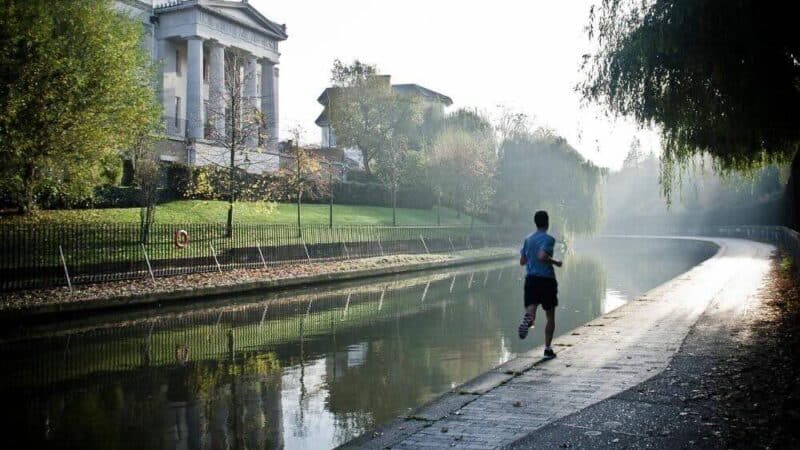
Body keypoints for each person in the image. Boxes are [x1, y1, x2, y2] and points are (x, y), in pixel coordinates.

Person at [518, 210, 562, 359]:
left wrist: (532, 260)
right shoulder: (549, 239)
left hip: (531, 279)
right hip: (546, 280)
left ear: (535, 223)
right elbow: (542, 256)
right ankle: (548, 349)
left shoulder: (528, 239)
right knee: (550, 316)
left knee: (531, 311)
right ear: (547, 223)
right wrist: (555, 262)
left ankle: (528, 319)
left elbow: (522, 261)